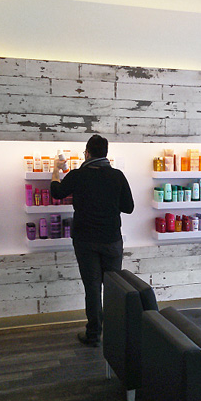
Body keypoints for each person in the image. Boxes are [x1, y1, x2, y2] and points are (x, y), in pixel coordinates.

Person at [51, 135, 134, 347]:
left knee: (93, 288)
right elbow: (129, 207)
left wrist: (55, 170)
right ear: (105, 153)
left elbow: (57, 193)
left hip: (85, 241)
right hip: (111, 240)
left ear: (87, 153)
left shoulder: (78, 175)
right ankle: (115, 334)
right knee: (114, 288)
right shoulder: (117, 176)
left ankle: (94, 334)